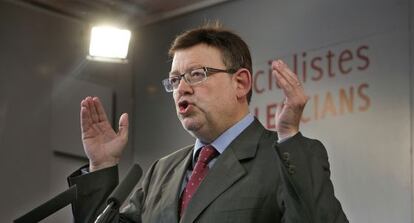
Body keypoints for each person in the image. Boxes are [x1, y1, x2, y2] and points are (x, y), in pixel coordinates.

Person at [68, 24, 348, 223]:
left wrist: (288, 135)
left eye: (196, 74)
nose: (182, 89)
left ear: (240, 83)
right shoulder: (161, 172)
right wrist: (102, 167)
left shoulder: (286, 156)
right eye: (175, 80)